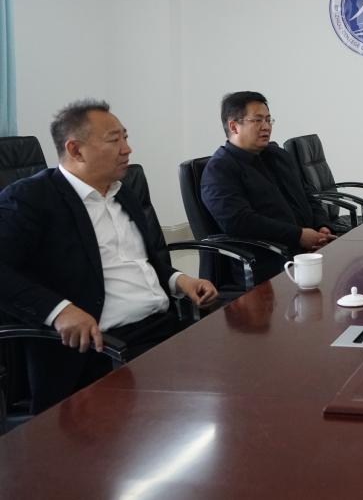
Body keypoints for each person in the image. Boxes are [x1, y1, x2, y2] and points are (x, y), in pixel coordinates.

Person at [0, 100, 218, 413]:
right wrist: (58, 311)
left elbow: (142, 260)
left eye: (125, 137)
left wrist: (178, 279)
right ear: (75, 150)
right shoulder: (31, 199)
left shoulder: (121, 192)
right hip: (102, 350)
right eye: (114, 140)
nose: (127, 149)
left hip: (164, 329)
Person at [200, 91, 336, 266]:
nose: (266, 127)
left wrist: (322, 226)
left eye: (268, 120)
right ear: (234, 127)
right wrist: (299, 236)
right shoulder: (219, 169)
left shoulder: (278, 155)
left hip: (310, 249)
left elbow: (307, 194)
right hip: (270, 258)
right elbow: (240, 222)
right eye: (257, 120)